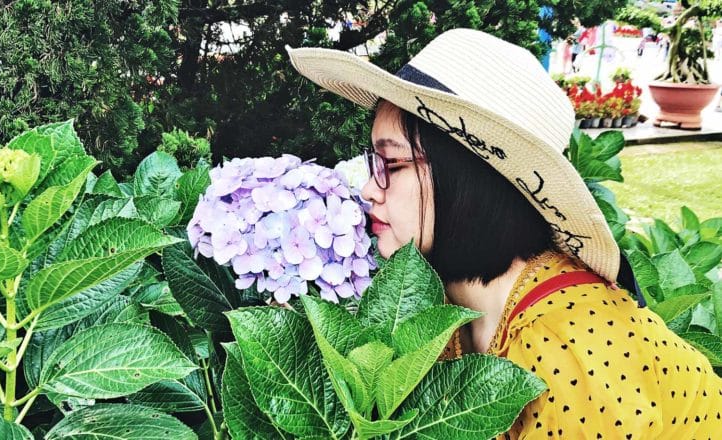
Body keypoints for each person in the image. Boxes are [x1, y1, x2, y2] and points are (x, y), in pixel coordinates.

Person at [288, 28, 722, 438]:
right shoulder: (445, 303)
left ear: (469, 181)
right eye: (373, 164)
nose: (368, 189)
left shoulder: (569, 349)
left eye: (394, 165)